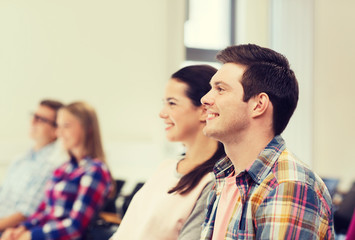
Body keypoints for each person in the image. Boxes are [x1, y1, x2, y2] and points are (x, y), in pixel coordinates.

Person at [200, 44, 335, 239]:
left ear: (258, 105)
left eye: (220, 89)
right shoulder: (224, 178)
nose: (205, 99)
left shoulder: (288, 185)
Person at [110, 65, 225, 240]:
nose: (162, 113)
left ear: (204, 110)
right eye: (164, 103)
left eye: (172, 103)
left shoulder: (212, 182)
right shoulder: (166, 167)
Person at [1, 101, 113, 240]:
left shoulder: (95, 170)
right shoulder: (63, 168)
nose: (59, 132)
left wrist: (30, 235)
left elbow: (75, 227)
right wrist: (20, 229)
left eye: (66, 126)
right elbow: (43, 212)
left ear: (87, 128)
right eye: (58, 126)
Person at [0, 99, 68, 232]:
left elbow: (26, 214)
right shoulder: (20, 160)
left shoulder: (54, 166)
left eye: (41, 119)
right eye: (33, 116)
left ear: (56, 130)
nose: (32, 122)